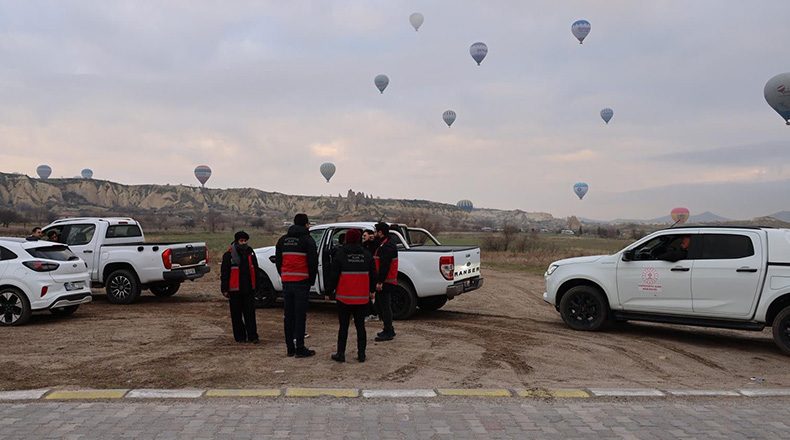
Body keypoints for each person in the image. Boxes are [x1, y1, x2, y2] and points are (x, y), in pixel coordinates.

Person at [327, 229, 376, 363]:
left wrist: (329, 290)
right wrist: (372, 290)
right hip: (361, 298)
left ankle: (341, 354)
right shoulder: (367, 255)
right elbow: (373, 275)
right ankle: (361, 354)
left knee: (343, 327)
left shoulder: (340, 254)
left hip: (344, 297)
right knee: (361, 327)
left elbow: (334, 275)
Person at [275, 213, 318, 358]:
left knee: (288, 316)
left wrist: (284, 276)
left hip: (287, 282)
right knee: (300, 316)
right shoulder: (308, 240)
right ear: (306, 224)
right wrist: (311, 281)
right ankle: (300, 348)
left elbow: (279, 262)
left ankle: (290, 348)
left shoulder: (283, 240)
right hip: (302, 283)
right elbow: (313, 263)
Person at [220, 231, 260, 344]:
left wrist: (257, 285)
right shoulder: (228, 255)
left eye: (245, 240)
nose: (244, 243)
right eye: (241, 241)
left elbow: (255, 270)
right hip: (234, 289)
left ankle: (253, 336)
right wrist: (224, 288)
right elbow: (225, 273)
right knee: (236, 315)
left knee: (250, 314)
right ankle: (240, 337)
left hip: (248, 288)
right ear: (237, 241)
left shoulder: (250, 253)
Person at [373, 222, 398, 342]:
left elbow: (384, 266)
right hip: (386, 281)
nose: (374, 234)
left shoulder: (387, 247)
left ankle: (389, 330)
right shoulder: (385, 244)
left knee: (385, 307)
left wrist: (380, 281)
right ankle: (387, 328)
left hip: (386, 282)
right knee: (382, 306)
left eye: (375, 232)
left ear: (380, 232)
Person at [362, 229, 379, 322]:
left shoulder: (374, 245)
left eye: (365, 235)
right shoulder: (364, 245)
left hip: (371, 272)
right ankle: (373, 313)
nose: (363, 238)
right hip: (368, 271)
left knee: (369, 294)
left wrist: (374, 239)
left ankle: (370, 313)